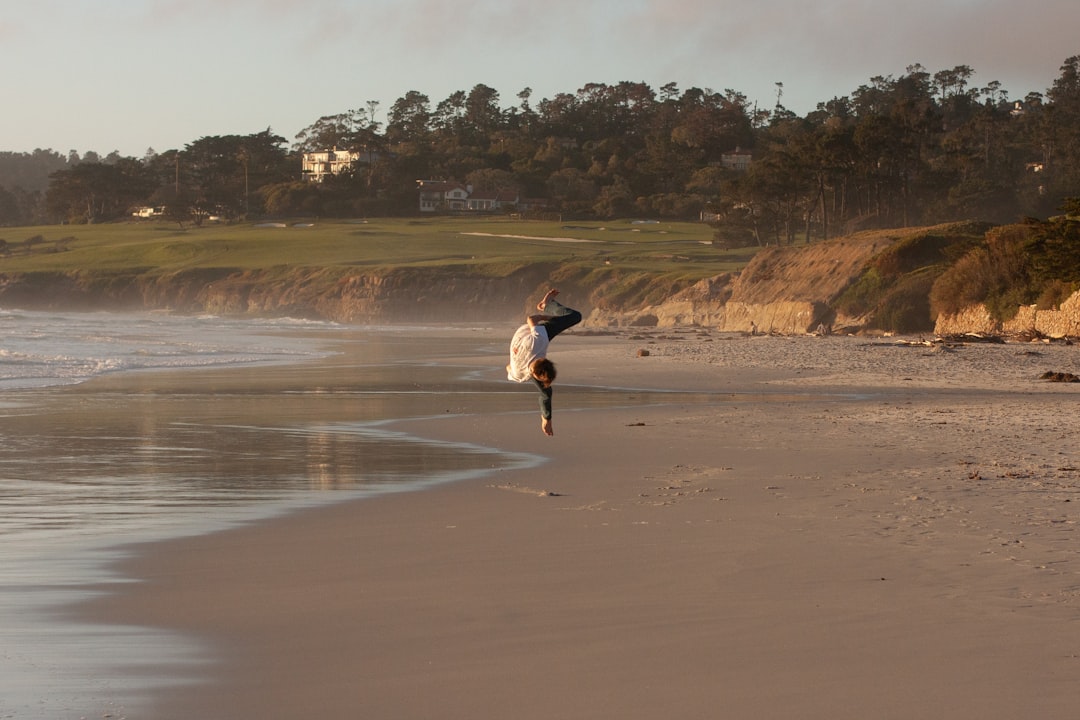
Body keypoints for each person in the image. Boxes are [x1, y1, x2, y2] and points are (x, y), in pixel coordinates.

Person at [506, 289, 582, 436]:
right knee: (546, 392)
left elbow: (532, 319)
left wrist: (546, 317)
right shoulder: (517, 372)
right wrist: (511, 365)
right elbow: (508, 367)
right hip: (522, 344)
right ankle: (546, 419)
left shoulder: (538, 340)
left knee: (575, 317)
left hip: (527, 332)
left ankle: (546, 305)